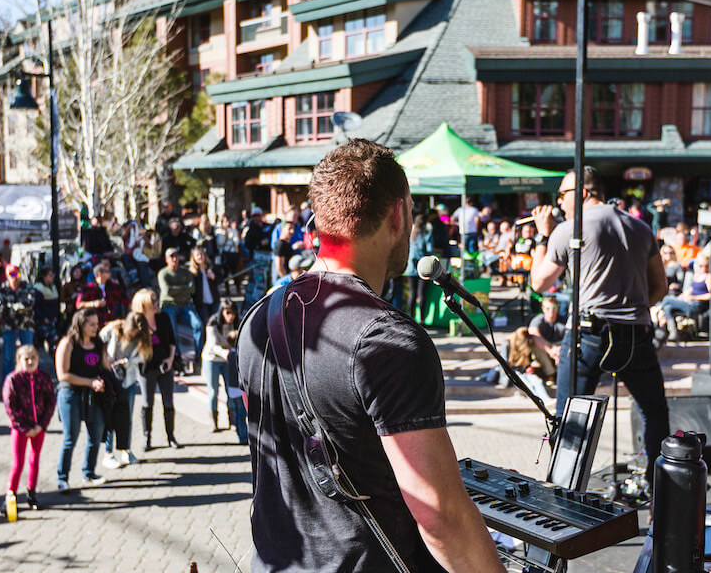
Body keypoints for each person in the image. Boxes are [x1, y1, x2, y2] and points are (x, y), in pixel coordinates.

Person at [237, 139, 504, 572]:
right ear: (398, 215)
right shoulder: (388, 341)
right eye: (413, 211)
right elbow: (440, 516)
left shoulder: (257, 318)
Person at [530, 166, 669, 479]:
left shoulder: (569, 230)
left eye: (563, 194)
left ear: (580, 193)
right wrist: (629, 307)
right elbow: (660, 286)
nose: (559, 202)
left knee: (571, 420)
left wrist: (542, 235)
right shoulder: (641, 228)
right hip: (635, 333)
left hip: (589, 333)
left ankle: (566, 493)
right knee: (654, 411)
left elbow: (538, 282)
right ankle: (659, 491)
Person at [54, 308, 111, 491]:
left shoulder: (98, 343)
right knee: (70, 437)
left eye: (97, 323)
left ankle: (89, 472)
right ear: (81, 324)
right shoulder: (68, 343)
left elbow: (104, 366)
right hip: (70, 394)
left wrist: (111, 367)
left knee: (96, 434)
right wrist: (89, 382)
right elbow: (63, 375)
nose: (96, 327)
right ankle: (62, 478)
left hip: (93, 394)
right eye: (92, 324)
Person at [1, 345, 56, 514]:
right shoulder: (13, 380)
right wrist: (25, 428)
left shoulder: (43, 378)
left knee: (35, 459)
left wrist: (41, 425)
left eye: (34, 358)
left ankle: (32, 494)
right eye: (26, 359)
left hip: (39, 427)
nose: (31, 362)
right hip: (21, 429)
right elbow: (10, 408)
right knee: (18, 463)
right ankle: (10, 496)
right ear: (19, 361)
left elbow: (50, 401)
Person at [99, 312, 150, 469]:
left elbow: (144, 356)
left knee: (126, 417)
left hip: (128, 380)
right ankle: (108, 453)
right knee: (110, 416)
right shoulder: (114, 329)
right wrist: (105, 359)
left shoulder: (142, 336)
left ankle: (126, 450)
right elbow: (97, 341)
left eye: (137, 332)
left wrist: (128, 362)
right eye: (133, 330)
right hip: (110, 378)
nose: (134, 334)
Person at [131, 288, 179, 450]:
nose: (155, 302)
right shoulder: (137, 321)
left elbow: (172, 340)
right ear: (142, 303)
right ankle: (147, 437)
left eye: (155, 299)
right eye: (151, 300)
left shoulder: (163, 317)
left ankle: (171, 436)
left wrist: (171, 359)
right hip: (146, 367)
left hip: (165, 364)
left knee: (168, 401)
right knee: (147, 403)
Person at [157, 248, 202, 377]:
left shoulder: (185, 272)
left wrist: (178, 290)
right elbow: (167, 291)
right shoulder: (163, 273)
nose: (174, 259)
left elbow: (192, 289)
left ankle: (197, 357)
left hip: (184, 306)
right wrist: (183, 289)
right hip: (169, 306)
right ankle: (178, 360)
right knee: (173, 332)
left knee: (198, 325)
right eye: (171, 257)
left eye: (176, 256)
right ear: (166, 259)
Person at [0, 264, 39, 376]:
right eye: (11, 274)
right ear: (7, 275)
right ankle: (8, 385)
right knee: (9, 358)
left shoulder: (28, 287)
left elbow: (29, 305)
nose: (15, 277)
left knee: (29, 356)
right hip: (9, 327)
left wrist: (10, 307)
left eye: (17, 274)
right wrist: (18, 307)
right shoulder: (2, 289)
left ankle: (30, 381)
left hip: (26, 325)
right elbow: (0, 309)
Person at [203, 299, 238, 434]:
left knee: (230, 389)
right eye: (228, 313)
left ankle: (233, 420)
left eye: (233, 313)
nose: (231, 316)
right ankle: (214, 421)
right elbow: (212, 344)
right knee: (213, 390)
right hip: (212, 358)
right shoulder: (213, 322)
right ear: (222, 311)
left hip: (227, 359)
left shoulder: (235, 323)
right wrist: (225, 352)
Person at [75, 261, 129, 327]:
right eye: (107, 271)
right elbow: (79, 304)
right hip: (94, 324)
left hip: (111, 322)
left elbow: (125, 300)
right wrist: (93, 304)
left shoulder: (113, 286)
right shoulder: (88, 288)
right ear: (100, 274)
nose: (110, 273)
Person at [528, 295, 566, 382]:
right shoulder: (537, 321)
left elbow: (572, 336)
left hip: (561, 347)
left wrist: (560, 349)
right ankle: (550, 374)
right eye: (548, 308)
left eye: (554, 308)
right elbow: (533, 334)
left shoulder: (564, 321)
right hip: (546, 349)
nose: (551, 311)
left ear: (558, 308)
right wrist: (551, 351)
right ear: (543, 309)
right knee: (534, 343)